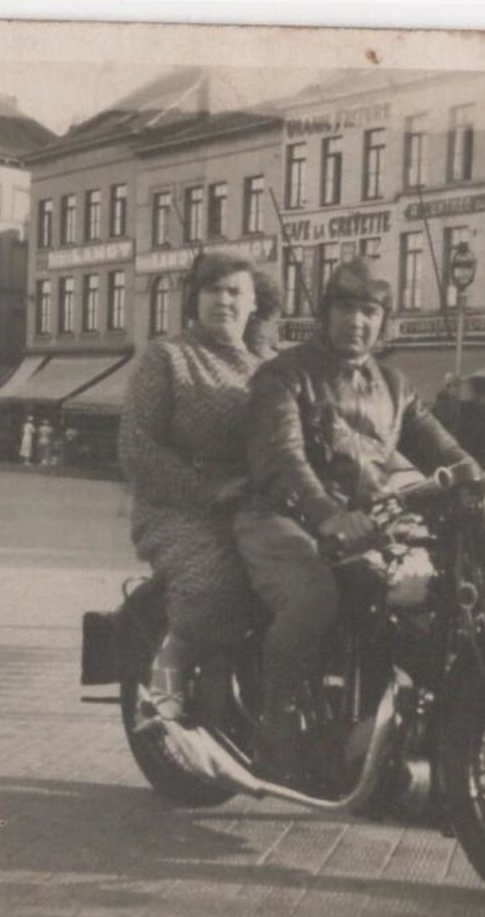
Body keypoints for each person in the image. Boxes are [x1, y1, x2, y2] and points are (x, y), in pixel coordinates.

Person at [237, 259, 480, 786]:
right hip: (281, 517)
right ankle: (274, 732)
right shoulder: (283, 374)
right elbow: (282, 461)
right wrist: (329, 515)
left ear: (384, 320)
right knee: (313, 598)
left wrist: (480, 482)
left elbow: (441, 447)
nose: (357, 321)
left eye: (370, 310)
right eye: (346, 308)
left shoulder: (393, 384)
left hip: (369, 521)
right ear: (325, 314)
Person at [118, 251, 279, 730]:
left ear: (255, 304)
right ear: (195, 298)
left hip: (258, 504)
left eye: (235, 291)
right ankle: (165, 682)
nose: (223, 300)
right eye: (213, 290)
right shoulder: (167, 357)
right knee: (216, 581)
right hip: (179, 510)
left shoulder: (271, 368)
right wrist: (209, 490)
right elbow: (136, 447)